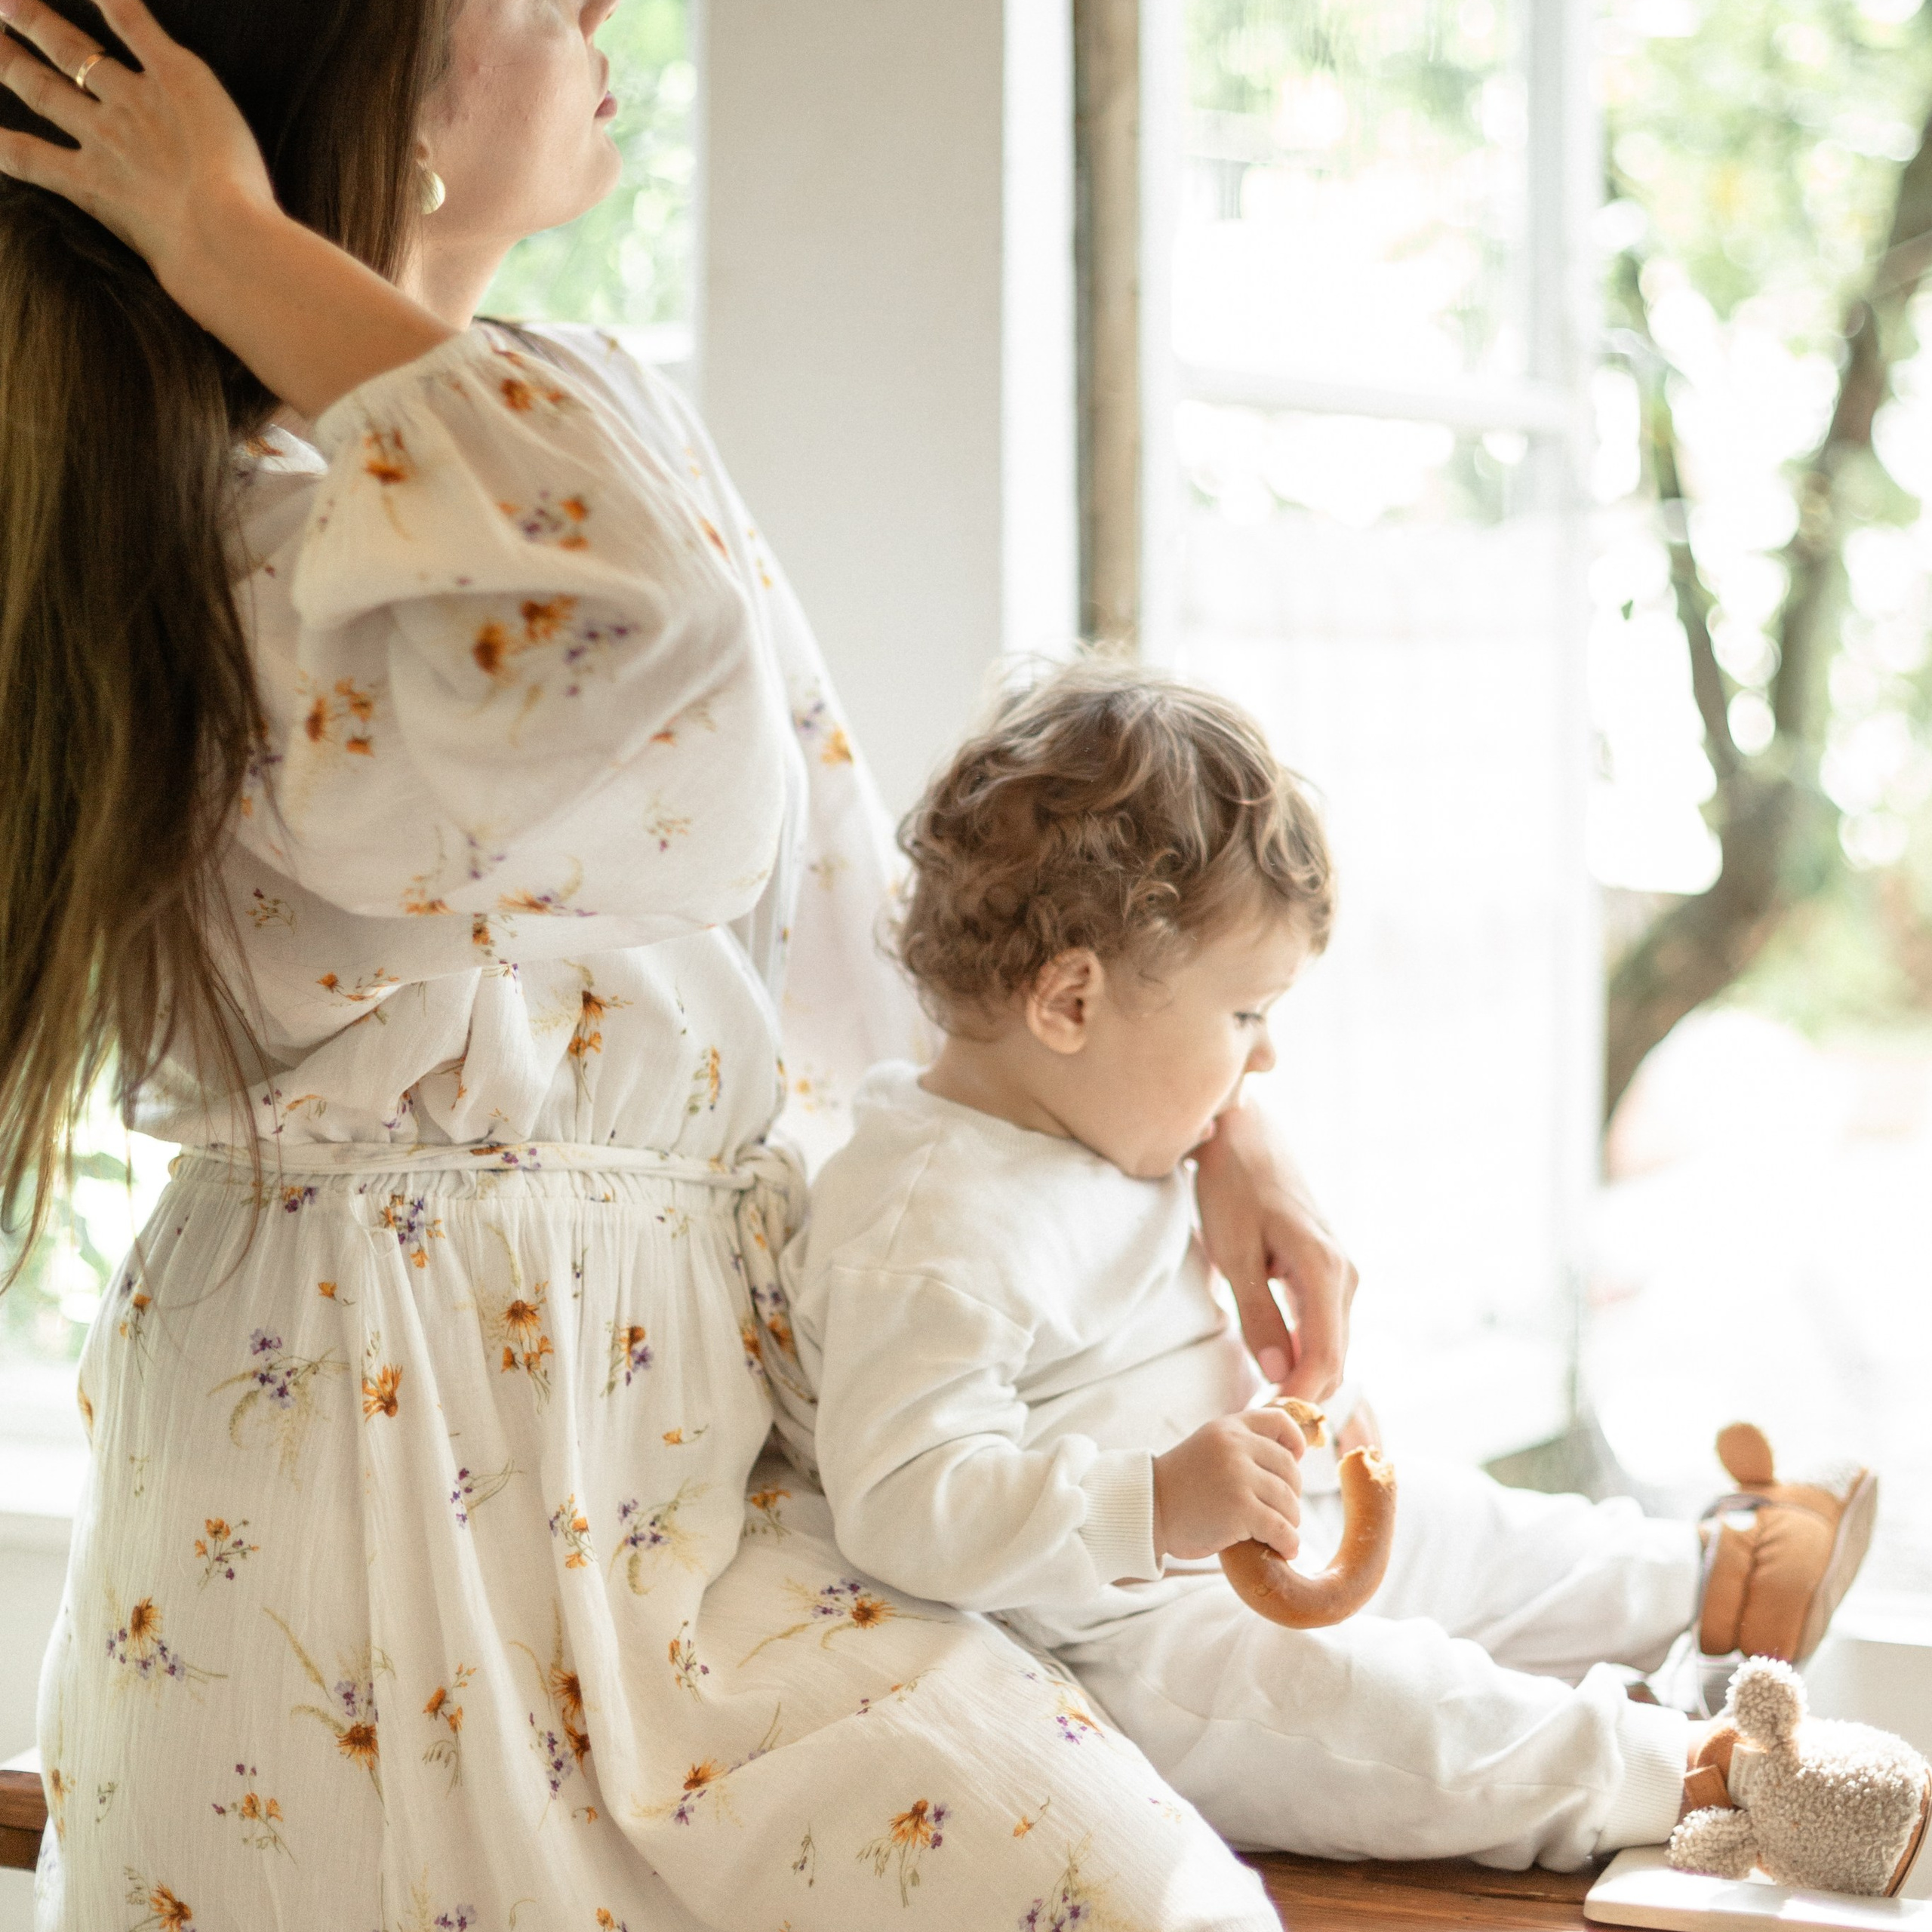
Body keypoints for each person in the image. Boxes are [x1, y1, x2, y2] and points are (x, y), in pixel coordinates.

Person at [0, 2, 1346, 1924]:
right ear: (380, 84)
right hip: (369, 1466)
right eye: (532, 0)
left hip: (677, 1466)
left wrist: (1230, 1111)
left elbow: (887, 961)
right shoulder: (254, 540)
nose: (600, 13)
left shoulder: (576, 410)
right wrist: (224, 234)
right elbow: (637, 625)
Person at [777, 663, 1916, 1876]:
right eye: (1245, 1017)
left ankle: (1711, 1580)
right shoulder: (924, 1222)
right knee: (1384, 1717)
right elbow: (904, 1502)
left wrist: (1296, 1425)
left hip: (1264, 1528)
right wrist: (1154, 1504)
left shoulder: (1084, 1114)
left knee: (1464, 1530)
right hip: (1142, 1626)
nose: (1261, 1065)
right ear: (1067, 999)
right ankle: (1701, 1780)